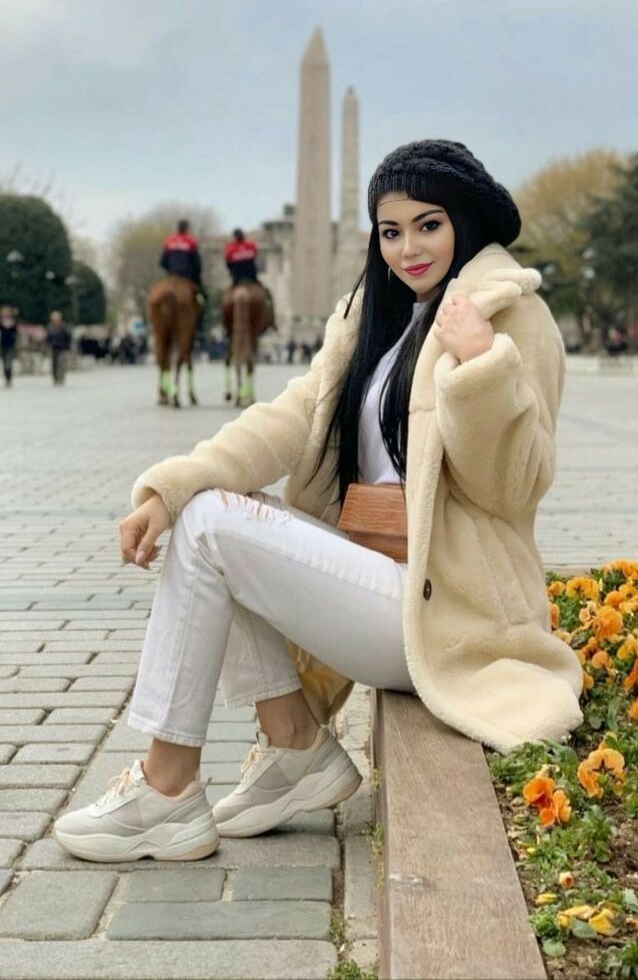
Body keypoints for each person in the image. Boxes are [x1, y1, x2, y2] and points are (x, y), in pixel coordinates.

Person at [54, 139, 583, 864]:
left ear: (464, 220)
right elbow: (291, 417)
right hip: (377, 574)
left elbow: (513, 487)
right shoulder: (375, 318)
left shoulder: (515, 317)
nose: (408, 249)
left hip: (449, 608)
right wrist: (171, 486)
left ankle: (167, 785)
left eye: (428, 225)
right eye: (390, 231)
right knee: (207, 510)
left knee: (213, 528)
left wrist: (482, 365)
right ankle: (294, 746)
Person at [160, 220, 205, 302]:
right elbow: (197, 263)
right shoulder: (191, 241)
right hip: (188, 276)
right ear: (187, 229)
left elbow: (162, 262)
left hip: (172, 275)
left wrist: (171, 270)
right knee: (202, 295)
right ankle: (201, 304)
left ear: (177, 228)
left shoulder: (169, 241)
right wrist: (196, 275)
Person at [46, 311, 72, 385]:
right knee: (54, 364)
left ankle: (61, 378)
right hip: (53, 348)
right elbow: (48, 338)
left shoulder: (64, 327)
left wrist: (67, 346)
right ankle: (55, 378)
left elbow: (68, 337)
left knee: (62, 364)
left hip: (63, 348)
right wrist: (48, 345)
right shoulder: (50, 327)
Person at [0, 305, 18, 388]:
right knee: (4, 363)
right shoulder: (1, 322)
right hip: (2, 344)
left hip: (10, 345)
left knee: (8, 363)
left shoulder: (13, 322)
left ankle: (9, 378)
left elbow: (16, 333)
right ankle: (7, 379)